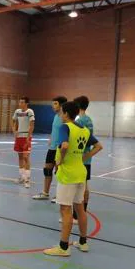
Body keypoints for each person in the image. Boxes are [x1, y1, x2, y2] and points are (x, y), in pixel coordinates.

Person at [43, 101, 102, 257]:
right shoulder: (83, 129)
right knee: (80, 208)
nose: (60, 115)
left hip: (68, 174)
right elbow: (98, 146)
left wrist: (60, 160)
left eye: (62, 112)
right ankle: (83, 243)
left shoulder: (65, 127)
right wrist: (84, 157)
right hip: (80, 173)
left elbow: (64, 146)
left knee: (65, 209)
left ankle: (63, 247)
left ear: (67, 114)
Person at [72, 95, 101, 223]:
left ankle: (77, 215)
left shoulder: (80, 121)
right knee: (85, 186)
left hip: (80, 158)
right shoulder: (88, 119)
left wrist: (83, 157)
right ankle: (81, 212)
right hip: (86, 159)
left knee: (79, 188)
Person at [33, 96, 67, 200]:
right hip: (52, 148)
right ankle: (45, 193)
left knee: (59, 172)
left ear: (61, 105)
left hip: (59, 149)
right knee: (47, 169)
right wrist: (51, 137)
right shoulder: (56, 116)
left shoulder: (64, 118)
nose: (53, 106)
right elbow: (54, 129)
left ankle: (60, 195)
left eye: (55, 103)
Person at [12, 97, 35, 188]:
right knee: (20, 157)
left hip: (26, 136)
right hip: (19, 137)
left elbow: (32, 125)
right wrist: (14, 130)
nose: (20, 104)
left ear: (26, 103)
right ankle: (21, 177)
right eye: (19, 102)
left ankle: (27, 179)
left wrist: (28, 138)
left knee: (26, 157)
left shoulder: (30, 112)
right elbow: (13, 121)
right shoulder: (17, 111)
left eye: (22, 102)